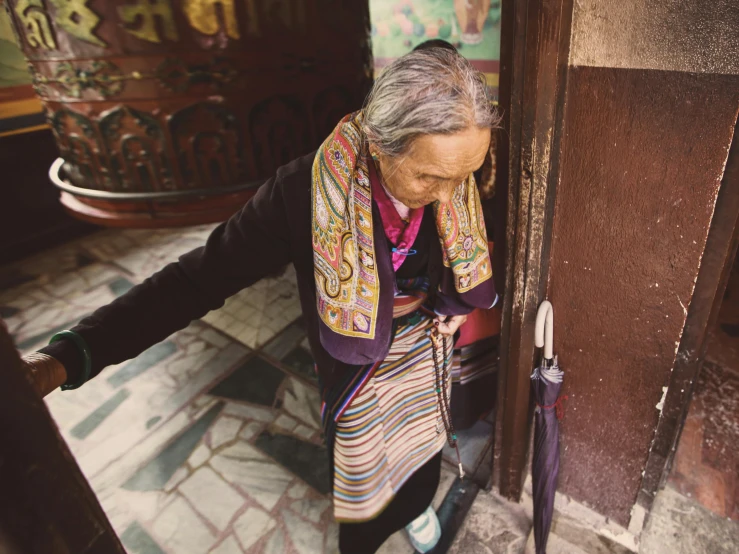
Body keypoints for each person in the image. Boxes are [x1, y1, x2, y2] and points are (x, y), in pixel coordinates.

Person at [21, 46, 501, 554]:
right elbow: (196, 281)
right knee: (363, 463)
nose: (451, 197)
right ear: (381, 145)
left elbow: (461, 247)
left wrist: (456, 302)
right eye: (429, 178)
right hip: (356, 367)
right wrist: (70, 355)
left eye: (462, 176)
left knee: (422, 444)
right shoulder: (303, 195)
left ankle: (415, 507)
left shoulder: (449, 170)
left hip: (424, 351)